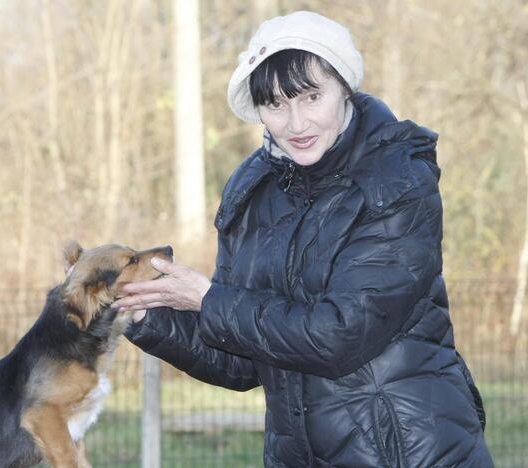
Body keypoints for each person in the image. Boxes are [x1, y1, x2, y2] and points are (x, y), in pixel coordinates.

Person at [114, 10, 494, 468]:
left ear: (344, 89)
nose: (296, 123)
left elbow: (340, 336)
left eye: (312, 96)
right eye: (276, 105)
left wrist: (209, 298)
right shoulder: (252, 192)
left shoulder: (396, 182)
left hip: (410, 453)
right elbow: (240, 360)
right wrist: (144, 317)